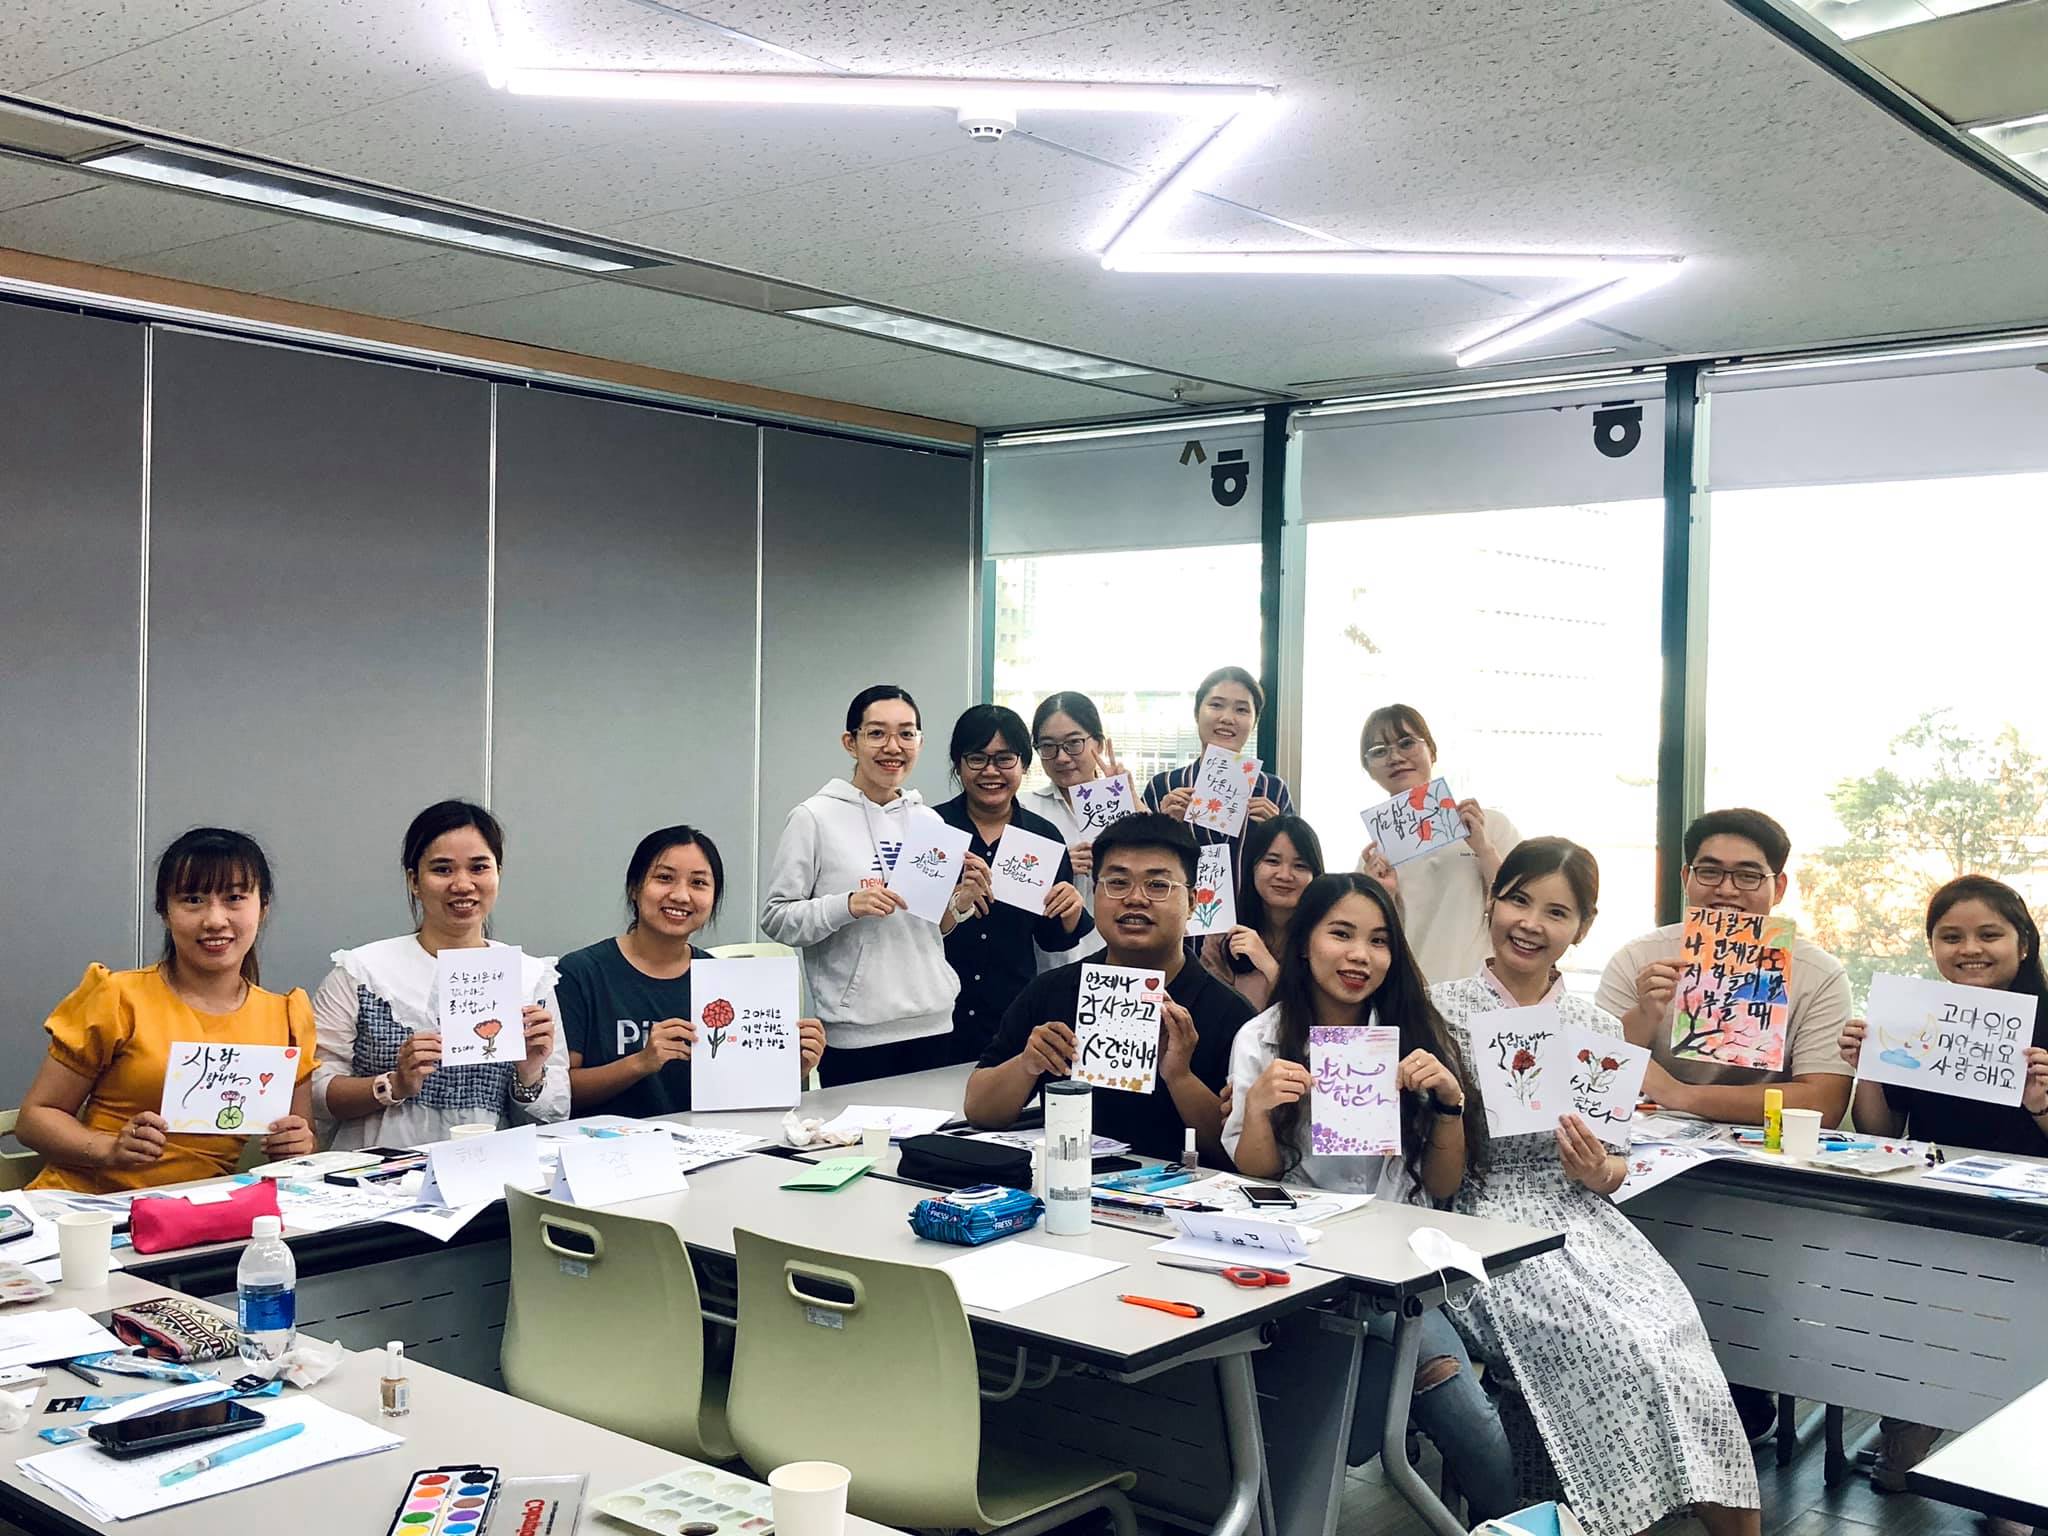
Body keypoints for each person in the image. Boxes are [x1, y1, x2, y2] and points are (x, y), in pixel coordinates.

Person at [1430, 838, 1761, 1536]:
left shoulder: (1596, 1027)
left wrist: (1595, 1170)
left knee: (1675, 1343)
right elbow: (1433, 1169)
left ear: (1582, 927)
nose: (1531, 924)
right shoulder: (1438, 1011)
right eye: (1518, 900)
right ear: (1492, 901)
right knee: (1614, 1348)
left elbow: (1613, 1168)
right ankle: (1605, 1514)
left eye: (1557, 912)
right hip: (1485, 1222)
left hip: (1583, 1217)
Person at [1221, 872, 1516, 1520]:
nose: (1360, 955)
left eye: (1379, 940)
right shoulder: (1261, 1039)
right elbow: (1256, 1180)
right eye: (1342, 934)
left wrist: (1449, 1105)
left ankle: (1504, 1524)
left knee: (1469, 1418)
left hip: (1396, 1269)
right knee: (1308, 1420)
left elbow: (1442, 1184)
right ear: (1304, 943)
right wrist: (1260, 1109)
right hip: (1300, 1269)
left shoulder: (1415, 1035)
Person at [1837, 875, 2048, 1508]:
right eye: (1950, 937)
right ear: (1932, 947)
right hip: (1936, 1205)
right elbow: (1882, 1132)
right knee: (1906, 1285)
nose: (1969, 949)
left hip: (2032, 1215)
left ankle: (2010, 1467)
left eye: (1989, 934)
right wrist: (1868, 1069)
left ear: (2024, 943)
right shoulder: (1917, 1016)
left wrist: (2042, 1107)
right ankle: (1911, 1421)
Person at [19, 828, 318, 1193]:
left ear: (263, 906)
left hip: (199, 1211)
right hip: (88, 1206)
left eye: (235, 898)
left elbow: (300, 1144)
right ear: (164, 911)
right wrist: (108, 1149)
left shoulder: (286, 1017)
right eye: (193, 899)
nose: (215, 919)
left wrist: (299, 1146)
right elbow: (35, 1118)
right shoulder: (118, 996)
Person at [964, 814, 1248, 1160]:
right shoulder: (1052, 992)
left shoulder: (1233, 1015)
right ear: (1095, 892)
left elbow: (1241, 1152)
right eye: (1117, 882)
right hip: (1065, 1182)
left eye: (1157, 885)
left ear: (1192, 902)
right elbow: (979, 1110)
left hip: (1183, 1189)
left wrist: (1180, 1076)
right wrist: (1027, 1063)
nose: (1135, 898)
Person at [313, 800, 569, 1149]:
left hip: (487, 1167)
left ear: (498, 874)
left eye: (479, 867)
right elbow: (316, 1094)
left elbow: (555, 1115)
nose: (463, 884)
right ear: (414, 881)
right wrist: (394, 1084)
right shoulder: (362, 973)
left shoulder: (530, 979)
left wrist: (530, 1072)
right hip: (376, 1168)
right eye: (443, 869)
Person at [761, 685, 985, 1084]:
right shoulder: (813, 818)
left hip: (934, 1023)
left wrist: (961, 903)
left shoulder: (929, 821)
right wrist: (847, 905)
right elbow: (777, 918)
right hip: (856, 1034)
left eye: (906, 734)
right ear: (851, 742)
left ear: (920, 742)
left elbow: (931, 929)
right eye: (877, 733)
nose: (893, 747)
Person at [1596, 808, 1853, 1129]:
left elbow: (1823, 1103)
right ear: (1686, 878)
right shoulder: (1638, 958)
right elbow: (1596, 1072)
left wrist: (1679, 1095)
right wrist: (1645, 1014)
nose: (1727, 889)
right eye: (1709, 872)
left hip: (1766, 1145)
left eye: (1748, 876)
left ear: (1779, 888)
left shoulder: (1819, 975)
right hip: (1649, 1137)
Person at [559, 826, 826, 1117]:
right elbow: (558, 1094)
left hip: (708, 1140)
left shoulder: (725, 982)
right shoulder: (580, 974)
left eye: (698, 883)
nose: (681, 895)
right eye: (664, 878)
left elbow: (740, 1094)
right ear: (634, 887)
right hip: (607, 1141)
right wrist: (640, 1062)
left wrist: (790, 1069)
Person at [934, 705, 1091, 1063]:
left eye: (1005, 758)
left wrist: (1070, 912)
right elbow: (911, 926)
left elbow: (1051, 939)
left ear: (1023, 764)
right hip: (937, 1020)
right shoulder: (934, 827)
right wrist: (954, 903)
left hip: (1012, 1018)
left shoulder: (1042, 837)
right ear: (958, 764)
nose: (991, 771)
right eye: (977, 758)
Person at [1355, 703, 1520, 986]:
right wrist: (1382, 894)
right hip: (1409, 992)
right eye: (1379, 751)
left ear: (1431, 751)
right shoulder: (1374, 857)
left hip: (1479, 990)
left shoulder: (1489, 825)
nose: (1395, 757)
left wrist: (1483, 848)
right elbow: (1369, 937)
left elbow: (1520, 906)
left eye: (1407, 743)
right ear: (1369, 768)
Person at [1144, 666, 1294, 859]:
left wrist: (1277, 831)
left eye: (1241, 709)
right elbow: (1136, 860)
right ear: (1197, 713)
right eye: (1216, 705)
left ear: (1254, 722)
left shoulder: (1274, 790)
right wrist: (1165, 826)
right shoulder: (1162, 787)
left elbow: (1297, 863)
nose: (1227, 718)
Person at [1024, 691, 1122, 971]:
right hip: (1047, 962)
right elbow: (1009, 885)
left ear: (1098, 743)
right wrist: (1058, 865)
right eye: (1048, 746)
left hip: (1113, 958)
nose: (1062, 757)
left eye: (1074, 743)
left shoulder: (1122, 804)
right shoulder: (1024, 808)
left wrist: (1128, 798)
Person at [1198, 815, 1323, 1012]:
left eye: (1300, 865)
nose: (1284, 875)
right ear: (1252, 867)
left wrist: (1268, 965)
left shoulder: (1324, 939)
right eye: (1272, 861)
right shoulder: (1223, 936)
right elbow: (1211, 1014)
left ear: (1315, 875)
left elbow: (1322, 1016)